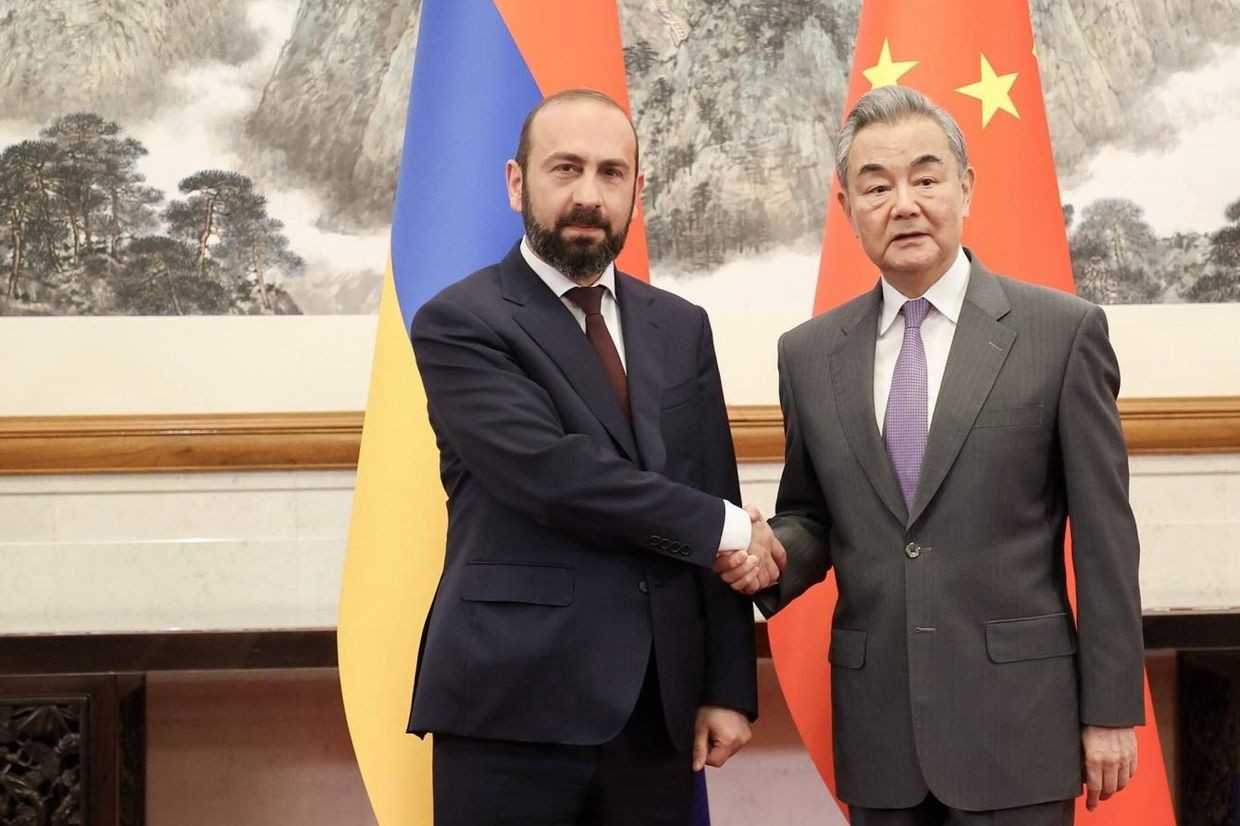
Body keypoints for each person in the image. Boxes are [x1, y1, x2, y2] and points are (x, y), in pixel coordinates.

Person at [730, 86, 1144, 825]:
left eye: (926, 177)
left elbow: (1107, 539)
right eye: (877, 185)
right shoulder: (809, 353)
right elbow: (811, 515)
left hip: (1020, 723)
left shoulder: (1062, 333)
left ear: (965, 186)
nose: (905, 203)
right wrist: (772, 554)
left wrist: (1111, 708)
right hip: (880, 728)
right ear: (846, 205)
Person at [407, 88, 781, 826]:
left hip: (658, 713)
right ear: (517, 182)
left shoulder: (680, 325)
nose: (588, 195)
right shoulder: (461, 321)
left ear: (638, 191)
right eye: (565, 169)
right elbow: (556, 476)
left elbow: (713, 480)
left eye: (612, 174)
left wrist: (730, 685)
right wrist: (733, 530)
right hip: (511, 708)